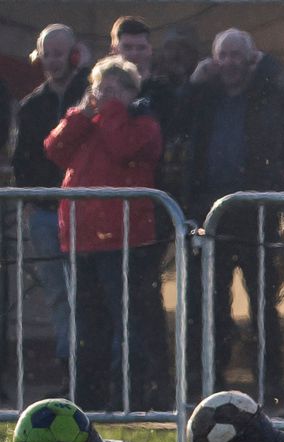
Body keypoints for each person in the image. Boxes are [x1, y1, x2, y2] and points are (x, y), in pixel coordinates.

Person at [178, 29, 284, 400]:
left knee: (263, 303)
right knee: (209, 303)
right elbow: (177, 122)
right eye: (223, 56)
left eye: (237, 56)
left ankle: (269, 383)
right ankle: (207, 383)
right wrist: (193, 84)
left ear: (251, 58)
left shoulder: (264, 93)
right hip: (208, 212)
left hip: (252, 213)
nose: (230, 64)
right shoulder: (205, 98)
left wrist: (264, 62)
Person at [44, 56, 162, 410]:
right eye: (99, 88)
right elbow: (54, 148)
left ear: (130, 92)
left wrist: (111, 109)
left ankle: (132, 399)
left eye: (113, 89)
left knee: (128, 325)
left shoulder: (143, 123)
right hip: (81, 241)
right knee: (88, 327)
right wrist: (80, 114)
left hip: (123, 241)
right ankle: (89, 402)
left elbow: (122, 148)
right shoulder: (89, 122)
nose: (104, 96)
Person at [11, 24, 90, 395]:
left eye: (61, 52)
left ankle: (94, 367)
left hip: (88, 212)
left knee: (88, 292)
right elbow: (22, 162)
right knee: (58, 292)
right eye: (49, 53)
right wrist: (29, 202)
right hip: (45, 212)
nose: (55, 61)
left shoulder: (90, 97)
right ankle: (68, 366)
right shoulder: (31, 106)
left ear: (74, 53)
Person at [109, 16, 176, 408]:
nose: (133, 53)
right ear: (114, 47)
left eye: (139, 47)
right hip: (105, 212)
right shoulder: (99, 90)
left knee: (144, 300)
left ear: (149, 50)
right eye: (126, 46)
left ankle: (156, 384)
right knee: (114, 303)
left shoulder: (164, 93)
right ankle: (121, 386)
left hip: (152, 206)